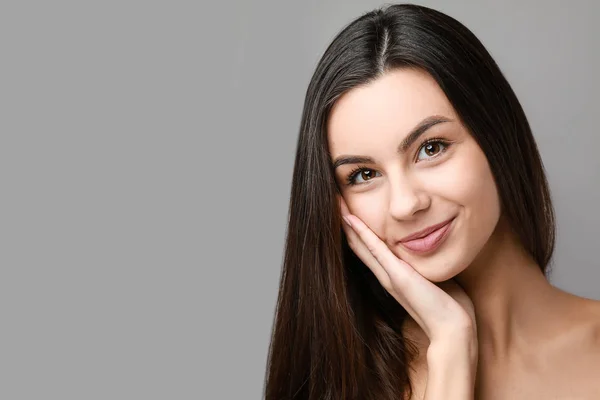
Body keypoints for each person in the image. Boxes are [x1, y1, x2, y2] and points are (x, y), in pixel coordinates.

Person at [264, 3, 600, 399]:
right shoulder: (337, 383)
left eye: (431, 148)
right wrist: (451, 349)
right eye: (364, 175)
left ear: (497, 137)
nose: (406, 204)